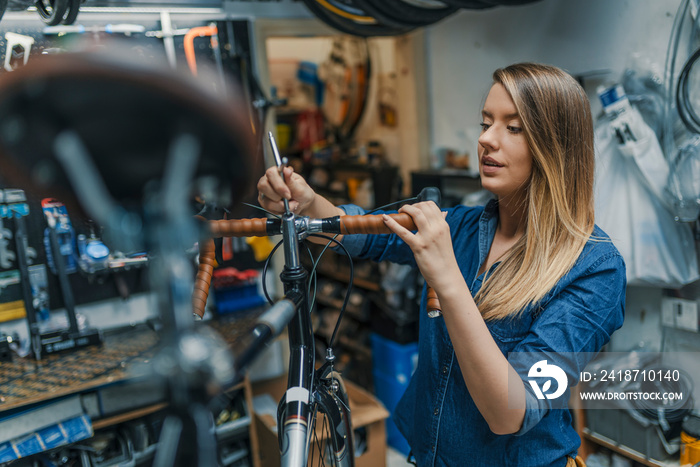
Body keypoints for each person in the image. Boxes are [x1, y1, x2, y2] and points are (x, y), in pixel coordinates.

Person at [257, 62, 625, 467]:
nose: (486, 139)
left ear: (557, 147)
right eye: (485, 123)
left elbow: (511, 411)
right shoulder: (464, 226)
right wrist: (307, 203)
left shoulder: (595, 268)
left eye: (512, 128)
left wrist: (446, 277)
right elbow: (367, 235)